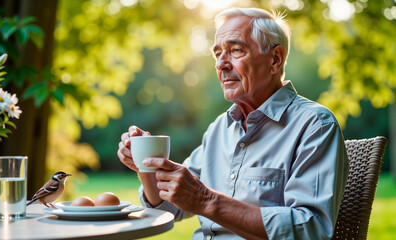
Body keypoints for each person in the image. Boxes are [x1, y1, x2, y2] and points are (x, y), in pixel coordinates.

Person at [117, 7, 348, 240]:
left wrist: (207, 201)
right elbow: (171, 207)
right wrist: (146, 166)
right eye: (218, 54)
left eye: (236, 50)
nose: (221, 64)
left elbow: (311, 229)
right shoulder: (219, 129)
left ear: (275, 60)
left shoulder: (315, 125)